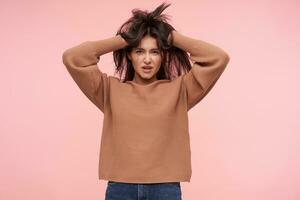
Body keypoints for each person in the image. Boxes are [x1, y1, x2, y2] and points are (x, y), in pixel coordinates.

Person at [62, 2, 230, 200]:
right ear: (130, 55)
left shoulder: (180, 90)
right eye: (139, 51)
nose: (147, 60)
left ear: (163, 56)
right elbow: (73, 57)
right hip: (120, 187)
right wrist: (124, 39)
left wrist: (171, 36)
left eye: (155, 51)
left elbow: (218, 58)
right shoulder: (109, 90)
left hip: (165, 188)